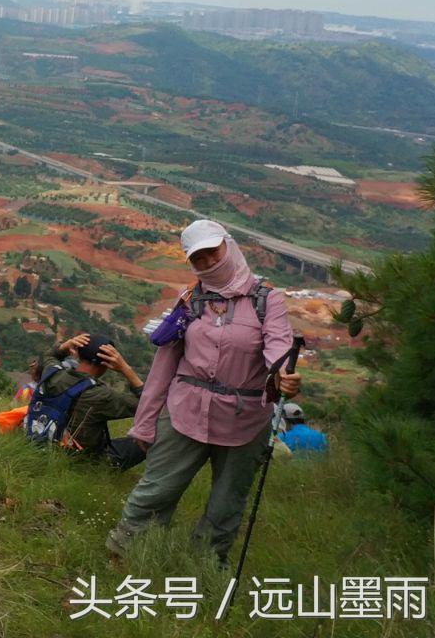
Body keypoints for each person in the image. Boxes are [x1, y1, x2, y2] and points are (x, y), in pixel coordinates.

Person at [106, 220, 302, 562]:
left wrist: (283, 375)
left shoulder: (268, 301)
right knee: (157, 489)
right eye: (200, 259)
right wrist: (145, 423)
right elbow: (163, 366)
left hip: (245, 422)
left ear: (229, 246)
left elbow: (278, 348)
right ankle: (127, 554)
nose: (210, 263)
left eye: (213, 253)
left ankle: (205, 567)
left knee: (227, 503)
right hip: (184, 412)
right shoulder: (189, 301)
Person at [26, 332, 147, 469]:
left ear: (77, 354)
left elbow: (50, 356)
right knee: (151, 437)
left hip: (44, 445)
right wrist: (126, 369)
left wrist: (65, 347)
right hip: (85, 464)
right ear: (107, 363)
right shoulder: (100, 395)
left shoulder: (53, 374)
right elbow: (148, 405)